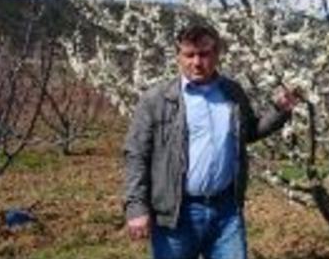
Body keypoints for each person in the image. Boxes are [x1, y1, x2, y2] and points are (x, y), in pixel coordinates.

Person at [123, 23, 298, 259]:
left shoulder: (232, 93)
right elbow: (136, 155)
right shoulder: (158, 99)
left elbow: (247, 132)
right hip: (176, 213)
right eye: (189, 55)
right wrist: (136, 207)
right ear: (178, 56)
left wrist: (279, 111)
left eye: (204, 54)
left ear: (217, 55)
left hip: (225, 212)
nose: (196, 62)